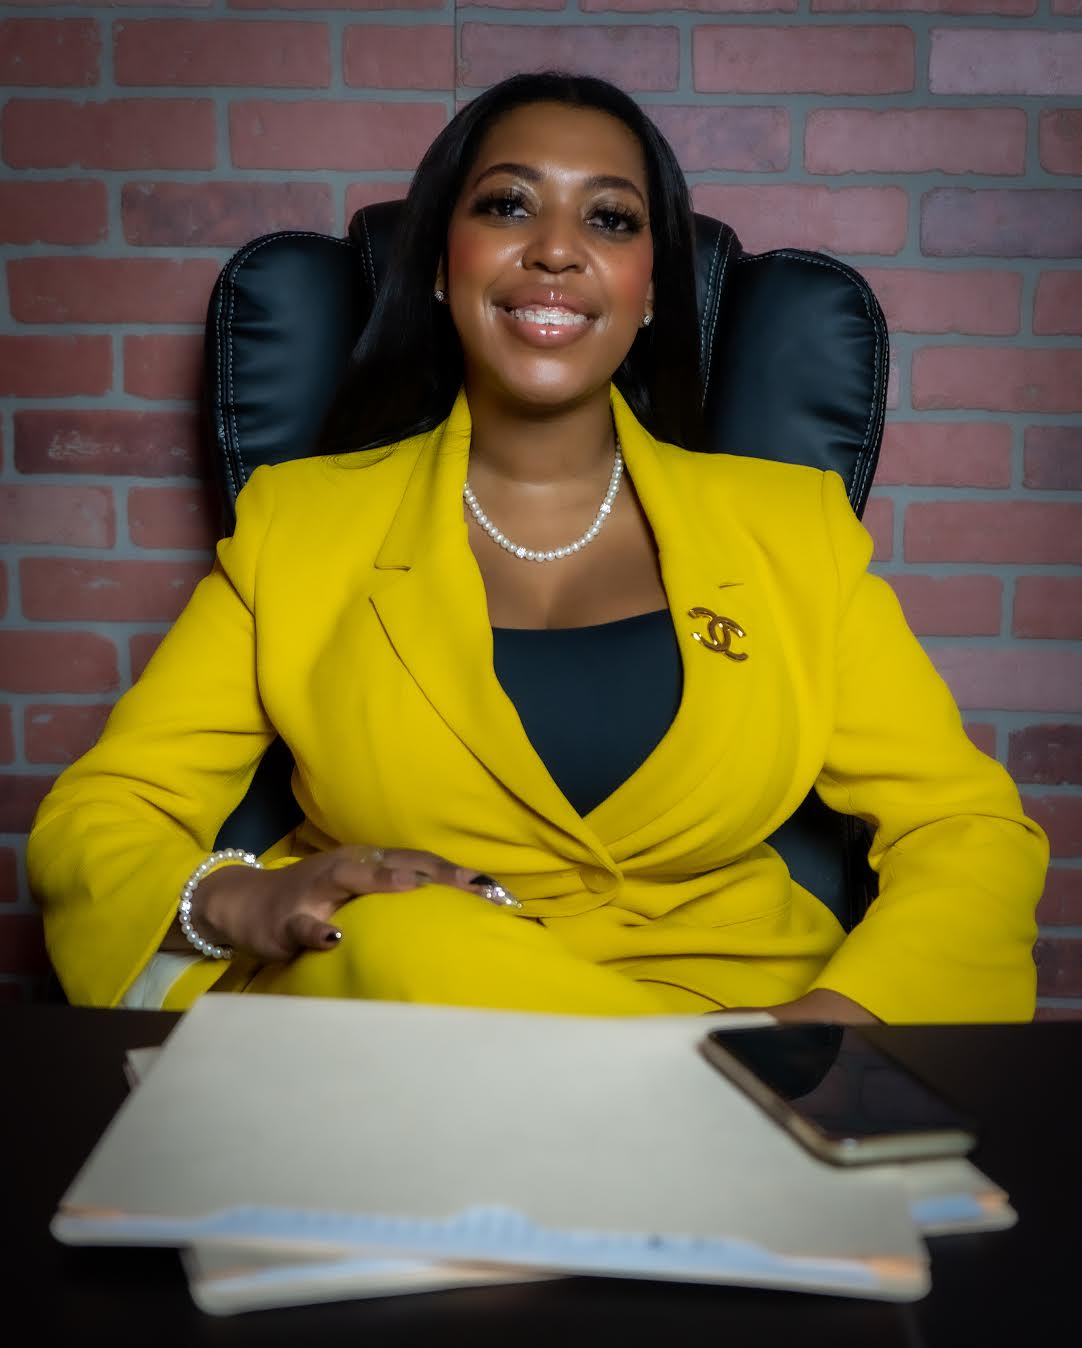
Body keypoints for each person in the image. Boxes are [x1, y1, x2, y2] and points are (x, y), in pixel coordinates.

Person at [27, 72, 1047, 1023]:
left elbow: (964, 827)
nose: (555, 249)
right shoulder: (299, 525)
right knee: (406, 930)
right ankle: (696, 1120)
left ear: (650, 289)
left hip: (748, 1022)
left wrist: (844, 1025)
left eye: (608, 219)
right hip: (406, 1011)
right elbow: (106, 811)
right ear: (440, 265)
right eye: (507, 205)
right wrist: (239, 896)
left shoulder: (793, 527)